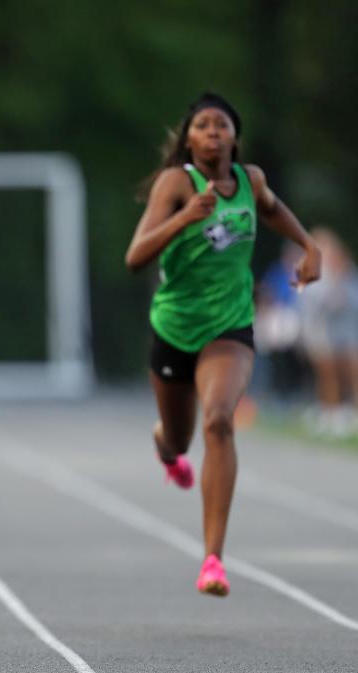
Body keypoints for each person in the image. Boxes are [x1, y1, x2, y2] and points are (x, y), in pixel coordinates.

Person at [125, 93, 321, 597]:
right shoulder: (176, 184)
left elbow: (273, 210)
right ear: (189, 139)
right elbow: (135, 256)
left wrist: (309, 246)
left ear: (234, 136)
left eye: (222, 124)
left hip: (229, 326)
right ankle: (166, 449)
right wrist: (185, 216)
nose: (213, 131)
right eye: (203, 125)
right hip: (174, 327)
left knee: (218, 420)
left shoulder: (250, 181)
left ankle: (213, 559)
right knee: (178, 437)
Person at [298, 228, 358, 437]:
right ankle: (330, 413)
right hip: (321, 332)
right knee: (327, 374)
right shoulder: (312, 270)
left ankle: (352, 413)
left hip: (346, 332)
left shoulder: (347, 271)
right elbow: (310, 301)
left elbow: (354, 299)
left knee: (352, 372)